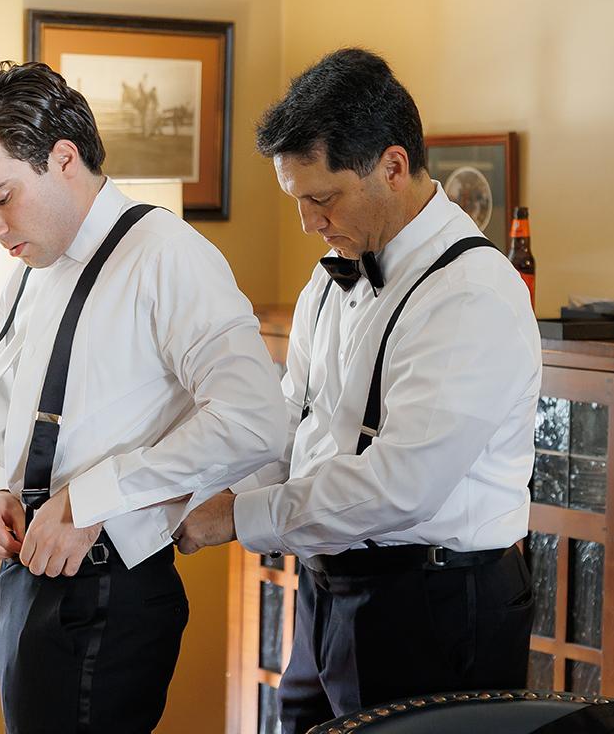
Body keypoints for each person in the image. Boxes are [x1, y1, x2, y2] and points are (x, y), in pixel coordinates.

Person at [176, 48, 542, 734]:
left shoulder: (472, 294)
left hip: (433, 606)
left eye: (322, 198)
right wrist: (197, 489)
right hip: (328, 591)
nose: (310, 223)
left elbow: (399, 487)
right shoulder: (329, 277)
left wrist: (237, 517)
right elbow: (294, 420)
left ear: (393, 166)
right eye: (299, 202)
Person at [0, 61, 286, 734]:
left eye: (0, 198)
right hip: (24, 586)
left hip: (108, 597)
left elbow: (256, 419)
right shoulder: (28, 274)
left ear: (63, 159)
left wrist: (94, 499)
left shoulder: (166, 255)